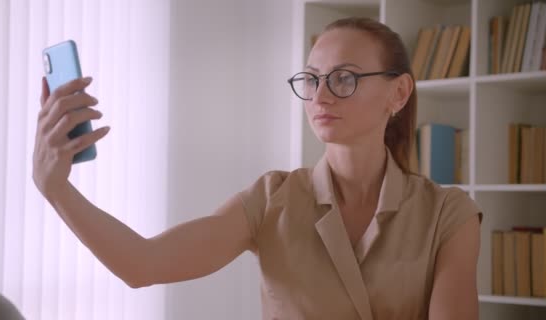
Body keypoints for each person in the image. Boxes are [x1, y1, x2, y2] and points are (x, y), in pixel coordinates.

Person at [33, 17, 482, 320]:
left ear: (398, 93)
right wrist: (55, 189)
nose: (320, 96)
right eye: (311, 79)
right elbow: (142, 264)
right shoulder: (271, 200)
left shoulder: (448, 215)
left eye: (344, 78)